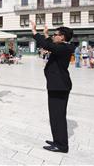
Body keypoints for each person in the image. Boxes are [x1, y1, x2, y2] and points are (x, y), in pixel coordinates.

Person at [31, 21, 75, 153]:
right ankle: (57, 140)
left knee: (58, 116)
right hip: (57, 86)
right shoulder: (62, 46)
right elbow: (50, 44)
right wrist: (46, 34)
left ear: (62, 37)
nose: (53, 36)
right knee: (54, 115)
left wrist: (35, 32)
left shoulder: (64, 47)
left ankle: (61, 145)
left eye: (55, 34)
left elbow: (47, 45)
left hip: (59, 86)